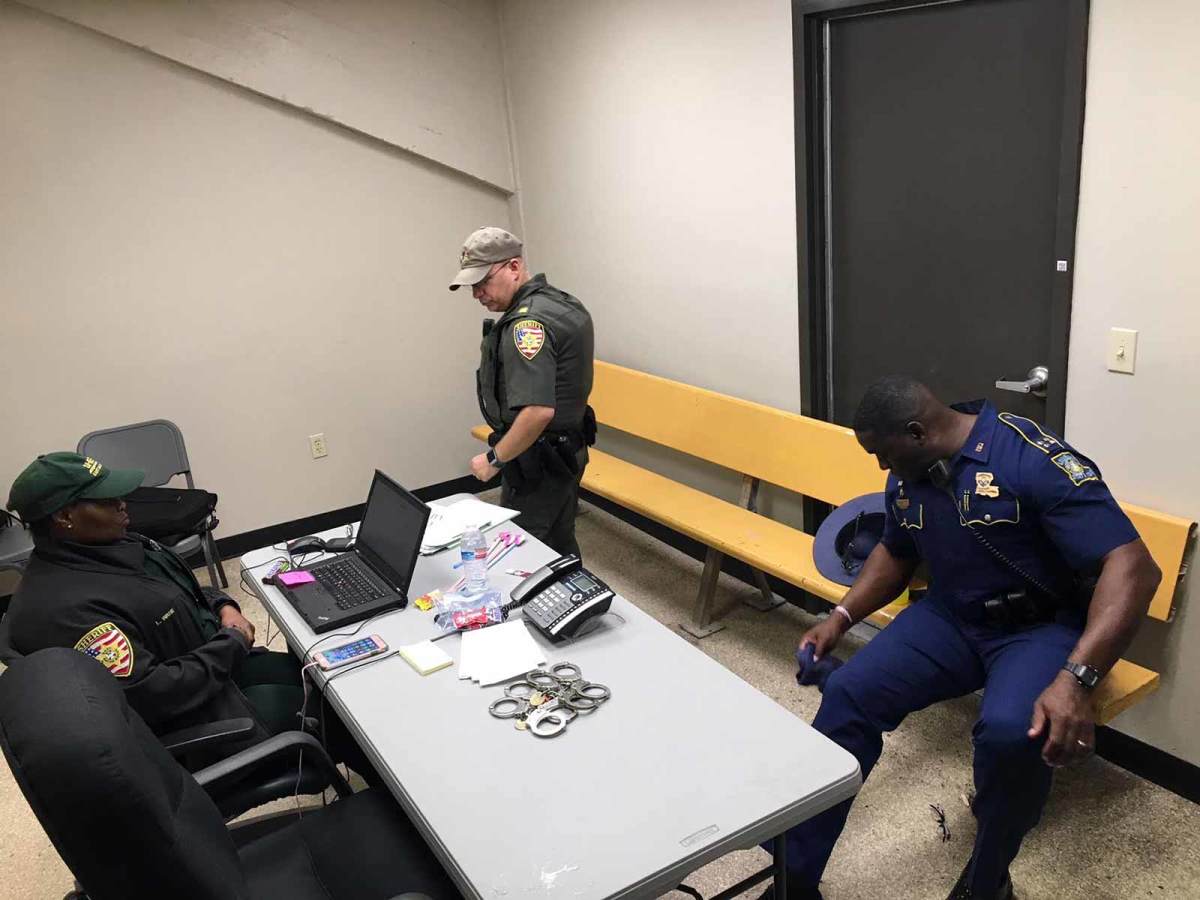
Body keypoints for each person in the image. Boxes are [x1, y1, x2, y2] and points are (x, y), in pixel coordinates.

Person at [773, 377, 1161, 900]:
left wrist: (1077, 680)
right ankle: (793, 880)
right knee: (848, 694)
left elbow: (1134, 568)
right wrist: (840, 616)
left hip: (1039, 629)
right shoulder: (911, 473)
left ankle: (988, 882)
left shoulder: (1029, 458)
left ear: (917, 432)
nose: (882, 467)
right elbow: (895, 551)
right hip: (951, 616)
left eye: (883, 454)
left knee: (1011, 733)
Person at [4, 452, 365, 773]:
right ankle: (385, 815)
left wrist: (223, 605)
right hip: (203, 723)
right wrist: (232, 642)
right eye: (107, 500)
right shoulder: (65, 611)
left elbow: (175, 590)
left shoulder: (109, 547)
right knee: (346, 717)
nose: (123, 504)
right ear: (65, 516)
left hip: (217, 673)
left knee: (332, 681)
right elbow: (155, 694)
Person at [450, 226, 595, 557]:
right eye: (472, 286)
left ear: (514, 267)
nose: (477, 294)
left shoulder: (526, 326)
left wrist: (494, 459)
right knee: (558, 541)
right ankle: (573, 590)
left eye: (483, 281)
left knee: (522, 552)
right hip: (568, 450)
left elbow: (538, 411)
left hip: (538, 462)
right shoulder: (560, 303)